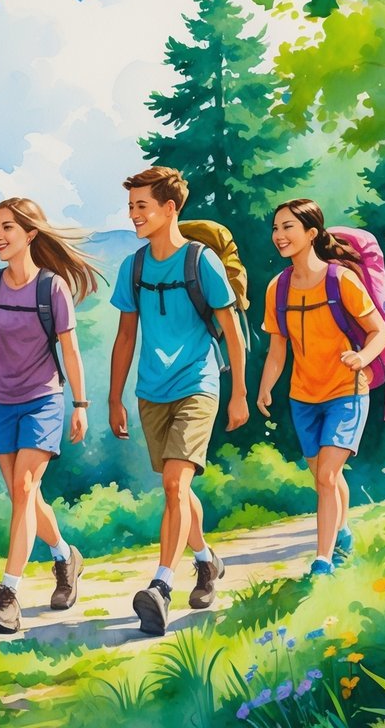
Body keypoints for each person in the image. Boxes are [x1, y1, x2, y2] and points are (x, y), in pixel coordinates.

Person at [109, 166, 248, 636]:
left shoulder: (200, 261)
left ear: (170, 208)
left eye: (141, 206)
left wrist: (239, 395)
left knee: (173, 483)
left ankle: (161, 586)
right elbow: (126, 334)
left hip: (198, 382)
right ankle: (207, 561)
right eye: (130, 207)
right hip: (151, 391)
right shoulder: (135, 266)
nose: (133, 215)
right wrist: (114, 397)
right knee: (180, 490)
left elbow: (231, 329)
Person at [0, 197, 101, 634]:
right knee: (27, 498)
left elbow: (70, 349)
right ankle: (65, 556)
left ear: (30, 235)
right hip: (0, 403)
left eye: (8, 228)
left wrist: (80, 403)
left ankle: (8, 595)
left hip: (43, 400)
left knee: (24, 489)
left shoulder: (52, 288)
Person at [257, 199, 385, 576]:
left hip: (346, 391)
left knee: (326, 477)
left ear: (311, 233)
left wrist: (362, 359)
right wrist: (266, 388)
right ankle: (343, 532)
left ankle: (323, 561)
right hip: (303, 397)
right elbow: (278, 349)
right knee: (324, 477)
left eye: (288, 228)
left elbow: (377, 331)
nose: (279, 236)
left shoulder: (340, 280)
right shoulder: (277, 289)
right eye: (276, 228)